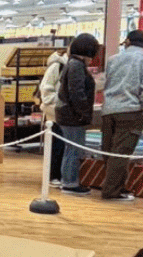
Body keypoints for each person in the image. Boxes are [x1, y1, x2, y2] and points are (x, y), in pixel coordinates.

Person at [98, 29, 143, 201]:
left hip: (108, 110)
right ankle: (111, 191)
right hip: (131, 111)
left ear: (127, 42)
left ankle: (117, 187)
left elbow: (105, 83)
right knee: (121, 152)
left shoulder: (113, 60)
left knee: (109, 150)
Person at [56, 33, 98, 195]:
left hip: (67, 114)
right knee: (74, 150)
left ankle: (68, 181)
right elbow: (77, 92)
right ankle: (70, 183)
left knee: (70, 149)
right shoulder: (77, 66)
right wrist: (84, 113)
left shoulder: (72, 63)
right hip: (73, 116)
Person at [36, 47, 66, 186]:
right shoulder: (57, 66)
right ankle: (53, 175)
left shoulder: (67, 66)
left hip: (62, 111)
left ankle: (58, 175)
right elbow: (46, 90)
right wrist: (61, 99)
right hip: (54, 112)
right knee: (56, 145)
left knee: (61, 145)